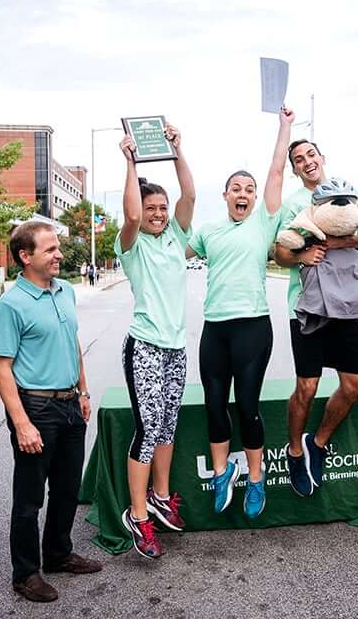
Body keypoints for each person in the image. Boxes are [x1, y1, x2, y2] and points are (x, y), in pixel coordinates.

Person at [185, 109, 293, 517]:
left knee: (247, 406)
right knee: (215, 405)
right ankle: (221, 474)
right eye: (236, 188)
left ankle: (256, 480)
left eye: (249, 188)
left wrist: (284, 127)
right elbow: (171, 251)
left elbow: (277, 172)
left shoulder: (263, 224)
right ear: (225, 195)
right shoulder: (208, 231)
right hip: (215, 328)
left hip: (252, 328)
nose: (243, 193)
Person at [0, 220, 102, 603]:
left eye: (58, 248)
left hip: (70, 403)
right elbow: (1, 368)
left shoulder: (65, 290)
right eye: (50, 249)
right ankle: (25, 574)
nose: (59, 255)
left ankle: (58, 553)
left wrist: (83, 391)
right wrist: (22, 423)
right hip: (36, 408)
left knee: (67, 489)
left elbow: (73, 342)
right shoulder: (10, 306)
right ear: (25, 255)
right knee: (29, 497)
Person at [274, 140, 358, 496]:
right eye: (298, 159)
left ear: (322, 158)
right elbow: (280, 252)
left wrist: (336, 244)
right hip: (306, 307)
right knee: (307, 387)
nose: (307, 162)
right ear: (294, 169)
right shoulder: (294, 203)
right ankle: (294, 451)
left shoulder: (347, 195)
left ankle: (317, 443)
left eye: (311, 155)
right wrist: (301, 255)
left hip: (346, 306)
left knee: (353, 385)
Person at [116, 123, 195, 559]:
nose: (159, 214)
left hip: (175, 348)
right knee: (147, 431)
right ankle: (138, 513)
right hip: (144, 346)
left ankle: (161, 498)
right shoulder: (131, 245)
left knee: (167, 424)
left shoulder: (175, 237)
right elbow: (130, 216)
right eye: (152, 208)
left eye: (162, 208)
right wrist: (130, 162)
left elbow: (190, 196)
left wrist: (178, 150)